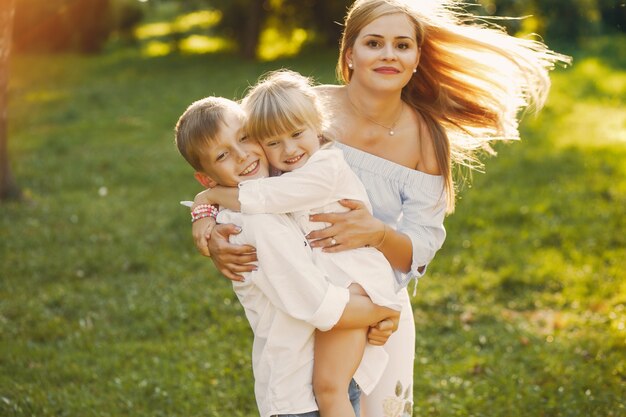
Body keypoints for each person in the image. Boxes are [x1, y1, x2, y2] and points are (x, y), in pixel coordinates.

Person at [192, 1, 571, 415]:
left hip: (375, 299)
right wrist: (206, 218)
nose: (389, 54)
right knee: (310, 398)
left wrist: (377, 237)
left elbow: (423, 245)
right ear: (350, 54)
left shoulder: (426, 139)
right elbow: (233, 161)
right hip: (305, 294)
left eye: (402, 45)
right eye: (374, 43)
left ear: (415, 58)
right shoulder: (305, 108)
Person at [192, 70, 404, 417]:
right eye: (272, 142)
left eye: (295, 134)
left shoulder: (324, 167)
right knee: (331, 390)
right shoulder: (280, 173)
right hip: (341, 297)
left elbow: (271, 196)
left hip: (357, 287)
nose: (288, 149)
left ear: (318, 126)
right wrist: (203, 209)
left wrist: (211, 195)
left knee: (330, 389)